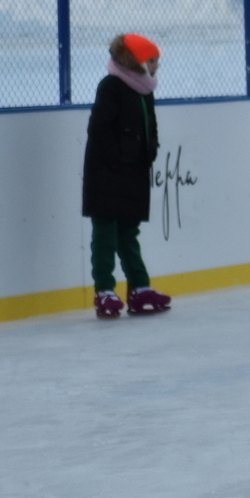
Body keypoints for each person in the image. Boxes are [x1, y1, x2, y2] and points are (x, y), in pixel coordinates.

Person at [83, 34, 172, 319]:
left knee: (128, 233)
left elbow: (151, 127)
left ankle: (139, 288)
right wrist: (118, 158)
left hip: (132, 173)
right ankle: (104, 291)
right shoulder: (111, 86)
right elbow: (99, 129)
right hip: (107, 173)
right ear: (137, 62)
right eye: (152, 60)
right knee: (106, 233)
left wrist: (150, 150)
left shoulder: (145, 91)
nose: (157, 65)